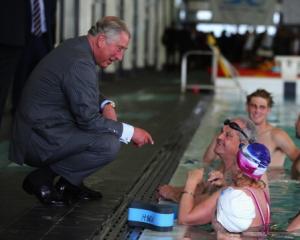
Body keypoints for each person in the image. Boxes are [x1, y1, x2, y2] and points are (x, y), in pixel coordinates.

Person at [9, 16, 154, 206]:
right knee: (108, 143)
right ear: (101, 40)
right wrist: (130, 132)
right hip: (39, 139)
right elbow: (89, 120)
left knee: (105, 132)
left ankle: (68, 184)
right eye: (119, 49)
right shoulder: (80, 62)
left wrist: (105, 104)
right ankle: (42, 179)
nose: (120, 57)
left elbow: (80, 88)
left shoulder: (75, 47)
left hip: (38, 129)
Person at [158, 117, 260, 203]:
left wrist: (171, 194)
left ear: (242, 144)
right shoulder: (225, 164)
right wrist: (173, 189)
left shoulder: (240, 175)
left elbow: (206, 203)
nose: (219, 137)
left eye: (228, 135)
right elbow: (203, 188)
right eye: (221, 132)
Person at [178, 143, 271, 237]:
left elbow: (184, 219)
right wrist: (225, 186)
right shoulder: (260, 192)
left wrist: (191, 182)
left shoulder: (232, 196)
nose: (232, 166)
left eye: (235, 163)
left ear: (239, 171)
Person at [204, 89, 300, 169]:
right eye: (253, 106)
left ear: (268, 110)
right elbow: (206, 162)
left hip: (271, 186)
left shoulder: (276, 135)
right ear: (247, 107)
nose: (257, 111)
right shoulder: (232, 132)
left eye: (262, 107)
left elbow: (297, 159)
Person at [12, 0, 57, 114]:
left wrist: (51, 43)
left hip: (43, 40)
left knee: (45, 76)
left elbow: (51, 18)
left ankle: (41, 107)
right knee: (21, 75)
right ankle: (17, 109)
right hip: (26, 41)